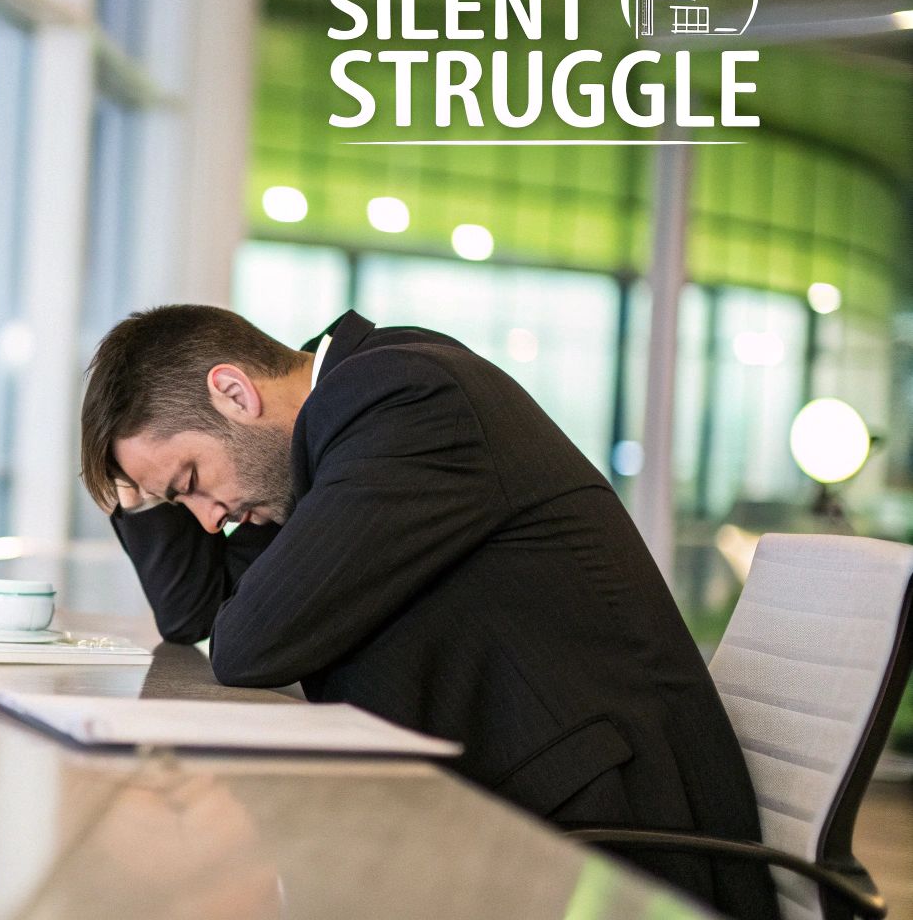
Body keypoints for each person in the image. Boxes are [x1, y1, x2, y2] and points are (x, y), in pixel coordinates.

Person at [80, 305, 778, 920]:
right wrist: (136, 489)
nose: (208, 523)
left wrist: (165, 490)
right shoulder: (336, 428)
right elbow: (196, 613)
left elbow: (246, 645)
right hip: (517, 809)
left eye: (193, 482)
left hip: (608, 839)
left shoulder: (401, 401)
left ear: (233, 392)